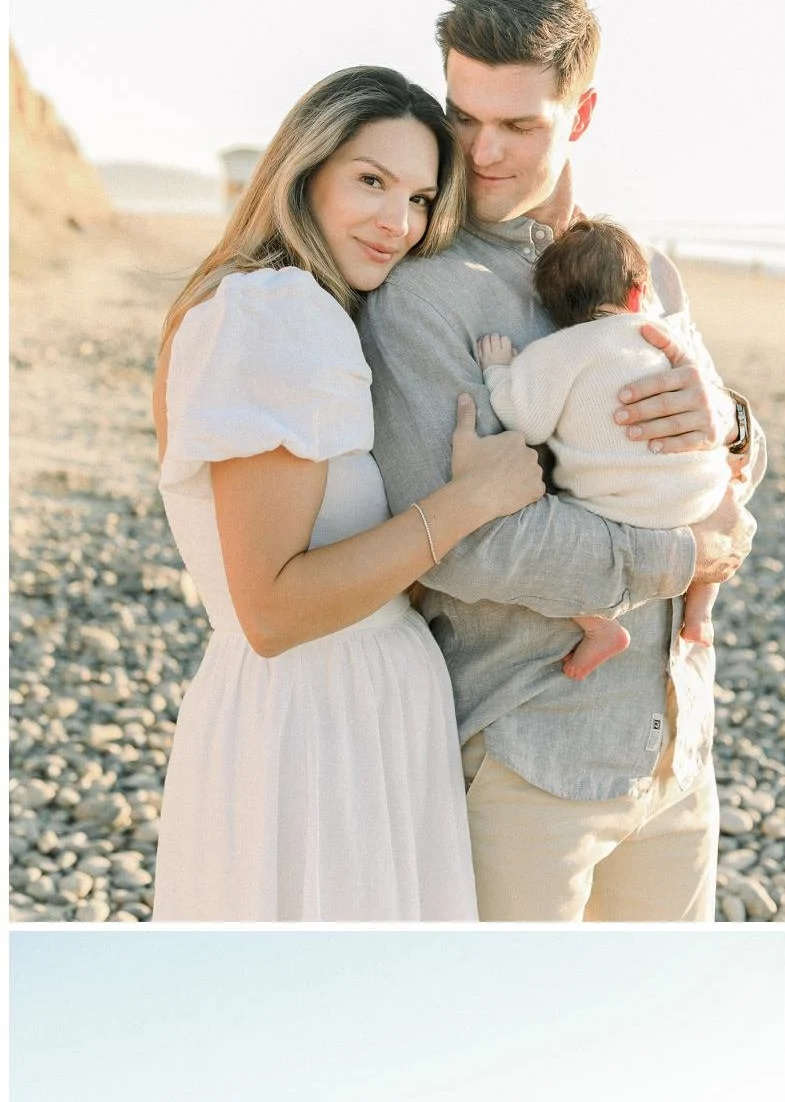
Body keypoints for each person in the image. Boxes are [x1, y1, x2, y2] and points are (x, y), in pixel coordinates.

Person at [362, 0, 763, 924]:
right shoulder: (423, 296)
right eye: (464, 116)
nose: (483, 150)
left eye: (520, 125)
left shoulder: (646, 268)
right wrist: (683, 557)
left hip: (677, 753)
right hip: (525, 763)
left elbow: (721, 467)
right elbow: (462, 544)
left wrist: (736, 419)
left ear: (581, 115)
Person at [151, 65, 543, 922]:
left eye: (418, 197)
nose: (397, 223)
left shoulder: (282, 307)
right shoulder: (278, 313)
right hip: (320, 724)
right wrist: (470, 502)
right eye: (371, 181)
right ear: (304, 170)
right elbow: (273, 610)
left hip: (329, 711)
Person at [478, 213, 752, 677]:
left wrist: (499, 370)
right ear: (637, 293)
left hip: (620, 514)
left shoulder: (558, 349)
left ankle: (599, 627)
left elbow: (525, 421)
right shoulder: (662, 337)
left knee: (559, 547)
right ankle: (701, 611)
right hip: (698, 499)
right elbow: (706, 397)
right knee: (726, 492)